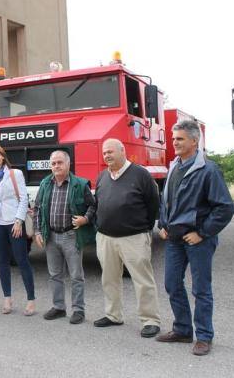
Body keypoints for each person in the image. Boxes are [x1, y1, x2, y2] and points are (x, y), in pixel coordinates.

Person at [156, 121, 234, 356]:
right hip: (174, 239)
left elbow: (225, 208)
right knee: (172, 283)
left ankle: (204, 336)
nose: (175, 143)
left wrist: (202, 233)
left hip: (198, 240)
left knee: (201, 289)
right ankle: (182, 329)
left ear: (194, 141)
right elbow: (166, 200)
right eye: (173, 139)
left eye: (179, 139)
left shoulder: (209, 170)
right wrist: (163, 225)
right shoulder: (174, 167)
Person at [93, 138, 161, 338]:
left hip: (134, 237)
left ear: (122, 150)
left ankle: (150, 320)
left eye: (110, 152)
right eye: (104, 153)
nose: (107, 156)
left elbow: (153, 205)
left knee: (143, 280)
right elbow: (98, 203)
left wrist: (144, 228)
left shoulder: (141, 174)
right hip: (106, 238)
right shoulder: (103, 177)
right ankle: (113, 315)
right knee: (109, 279)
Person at [33, 150, 96, 324]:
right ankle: (59, 307)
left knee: (76, 276)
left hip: (71, 235)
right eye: (53, 163)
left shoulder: (80, 184)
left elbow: (92, 206)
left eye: (60, 162)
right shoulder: (46, 183)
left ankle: (78, 310)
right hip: (51, 236)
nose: (56, 166)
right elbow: (37, 208)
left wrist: (85, 219)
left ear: (68, 164)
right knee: (54, 275)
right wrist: (38, 231)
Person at [0, 145, 36, 316]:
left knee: (22, 260)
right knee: (2, 261)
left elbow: (23, 199)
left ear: (3, 156)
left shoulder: (15, 174)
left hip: (14, 222)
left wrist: (18, 221)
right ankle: (7, 298)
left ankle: (31, 299)